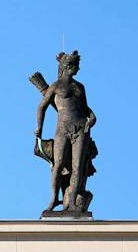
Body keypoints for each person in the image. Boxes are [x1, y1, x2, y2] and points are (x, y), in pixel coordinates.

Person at [34, 50, 97, 215]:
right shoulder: (56, 86)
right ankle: (54, 198)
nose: (77, 69)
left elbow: (85, 108)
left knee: (78, 167)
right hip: (62, 130)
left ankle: (73, 204)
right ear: (67, 66)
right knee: (58, 164)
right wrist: (39, 127)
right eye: (75, 66)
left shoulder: (80, 87)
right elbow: (42, 106)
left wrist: (92, 118)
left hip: (81, 129)